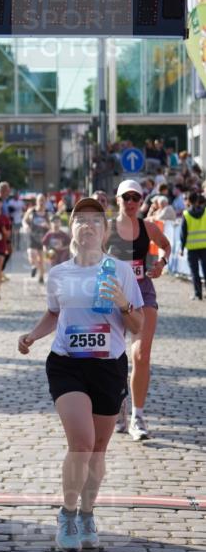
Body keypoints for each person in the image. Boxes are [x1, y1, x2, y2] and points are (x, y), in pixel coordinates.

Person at [18, 198, 144, 551]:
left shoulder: (119, 271)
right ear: (71, 229)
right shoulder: (59, 273)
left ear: (105, 232)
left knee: (99, 449)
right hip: (67, 363)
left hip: (108, 366)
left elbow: (138, 325)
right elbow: (53, 315)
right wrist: (31, 335)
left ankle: (87, 513)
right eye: (79, 220)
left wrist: (123, 302)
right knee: (82, 443)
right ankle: (67, 512)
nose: (87, 226)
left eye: (94, 221)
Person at [106, 179, 171, 441]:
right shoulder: (106, 229)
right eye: (127, 198)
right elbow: (86, 256)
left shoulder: (147, 227)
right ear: (118, 199)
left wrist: (161, 264)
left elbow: (166, 246)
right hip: (112, 295)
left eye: (136, 198)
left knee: (142, 354)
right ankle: (119, 406)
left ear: (142, 201)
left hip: (142, 293)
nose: (131, 203)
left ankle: (138, 416)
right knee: (114, 354)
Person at [181, 190, 206, 301]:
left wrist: (181, 248)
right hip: (205, 246)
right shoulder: (205, 212)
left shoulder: (186, 214)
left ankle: (198, 294)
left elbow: (183, 234)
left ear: (188, 201)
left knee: (195, 273)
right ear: (197, 200)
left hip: (192, 248)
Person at [23, 194, 51, 284]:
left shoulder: (47, 213)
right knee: (31, 253)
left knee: (42, 260)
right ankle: (33, 266)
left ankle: (41, 276)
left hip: (43, 238)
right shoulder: (31, 211)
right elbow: (24, 220)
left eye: (43, 200)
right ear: (37, 201)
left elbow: (52, 226)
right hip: (33, 236)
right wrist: (26, 226)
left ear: (45, 202)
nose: (41, 202)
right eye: (40, 200)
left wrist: (47, 225)